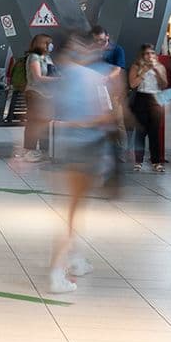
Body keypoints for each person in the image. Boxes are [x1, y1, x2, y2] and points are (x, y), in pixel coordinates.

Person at [45, 32, 119, 295]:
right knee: (73, 213)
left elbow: (46, 114)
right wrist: (84, 124)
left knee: (71, 209)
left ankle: (74, 258)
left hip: (64, 147)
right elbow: (105, 116)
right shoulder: (95, 78)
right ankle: (58, 272)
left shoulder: (59, 79)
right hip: (88, 148)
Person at [127, 44, 169, 172]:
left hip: (155, 98)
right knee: (140, 132)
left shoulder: (160, 66)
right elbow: (132, 84)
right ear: (142, 55)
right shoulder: (136, 66)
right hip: (141, 98)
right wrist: (144, 71)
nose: (150, 56)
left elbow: (164, 85)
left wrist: (157, 72)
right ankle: (138, 161)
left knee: (154, 132)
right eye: (147, 53)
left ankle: (156, 162)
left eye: (152, 53)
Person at [17, 34, 55, 161]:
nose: (51, 46)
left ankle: (44, 150)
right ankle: (29, 150)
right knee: (33, 123)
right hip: (35, 93)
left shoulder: (47, 58)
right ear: (42, 44)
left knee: (44, 122)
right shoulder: (33, 57)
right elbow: (37, 77)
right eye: (49, 43)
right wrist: (57, 80)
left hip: (47, 95)